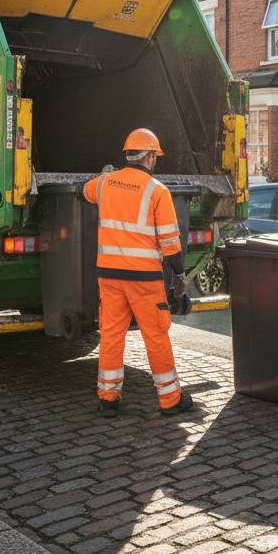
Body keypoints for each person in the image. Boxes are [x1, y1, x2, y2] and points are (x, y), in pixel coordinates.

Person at [83, 128, 195, 419]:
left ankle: (108, 399)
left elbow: (86, 191)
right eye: (155, 156)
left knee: (110, 334)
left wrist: (104, 174)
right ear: (148, 157)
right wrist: (180, 275)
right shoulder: (158, 191)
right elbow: (170, 243)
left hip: (109, 275)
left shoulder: (105, 183)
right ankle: (170, 400)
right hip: (144, 279)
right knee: (156, 336)